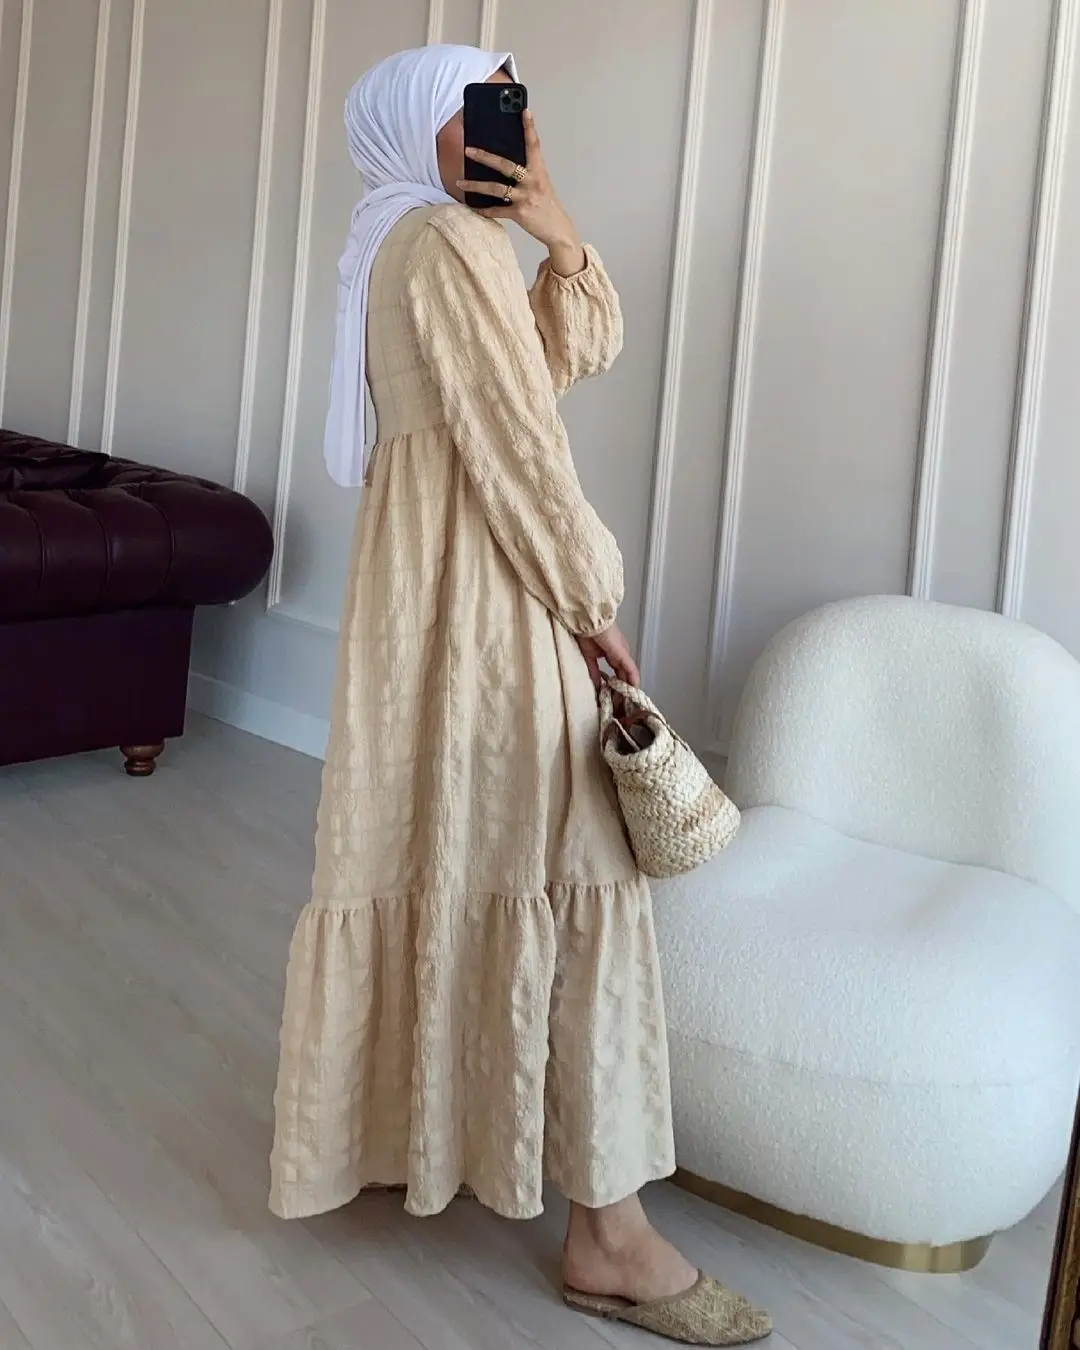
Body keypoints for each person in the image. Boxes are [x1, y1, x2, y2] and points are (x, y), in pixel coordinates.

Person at [269, 43, 771, 1347]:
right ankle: (611, 1237)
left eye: (517, 103)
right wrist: (594, 604)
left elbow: (566, 352)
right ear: (420, 127)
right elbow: (521, 446)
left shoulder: (424, 243)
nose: (514, 125)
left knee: (465, 852)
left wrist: (552, 224)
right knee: (577, 866)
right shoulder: (441, 245)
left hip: (435, 596)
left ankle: (424, 1132)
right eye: (482, 107)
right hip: (492, 596)